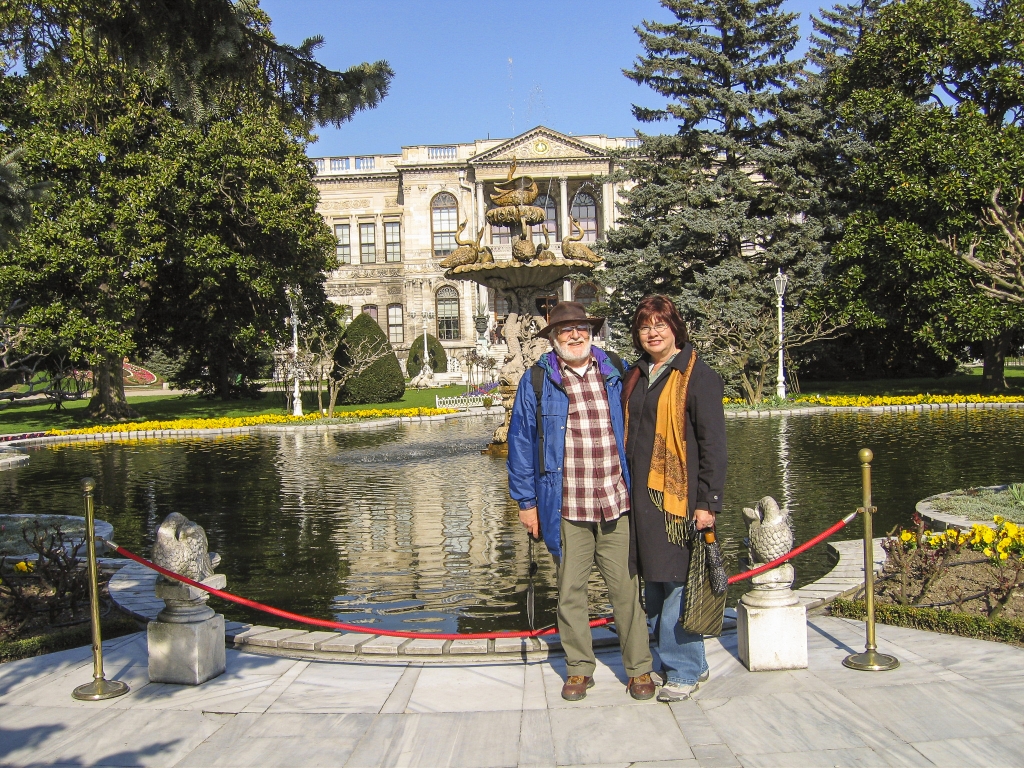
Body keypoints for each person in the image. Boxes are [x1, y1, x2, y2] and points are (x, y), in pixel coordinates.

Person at [507, 301, 656, 702]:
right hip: (566, 505)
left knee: (625, 590)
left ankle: (640, 668)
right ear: (553, 339)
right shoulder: (537, 379)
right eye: (566, 330)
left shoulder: (617, 370)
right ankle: (578, 669)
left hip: (615, 499)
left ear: (592, 334)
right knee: (570, 590)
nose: (575, 336)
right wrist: (526, 502)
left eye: (581, 329)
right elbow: (520, 442)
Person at [622, 295, 727, 703]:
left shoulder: (698, 377)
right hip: (641, 498)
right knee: (656, 583)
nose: (652, 332)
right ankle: (687, 662)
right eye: (645, 326)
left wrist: (708, 502)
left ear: (675, 328)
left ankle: (684, 667)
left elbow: (714, 445)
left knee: (679, 583)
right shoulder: (637, 374)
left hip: (678, 502)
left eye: (660, 324)